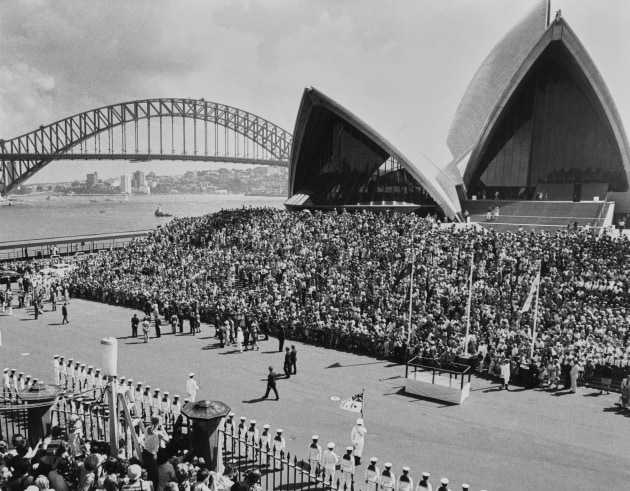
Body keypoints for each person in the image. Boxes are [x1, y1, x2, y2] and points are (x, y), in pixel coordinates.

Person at [142, 416, 170, 489]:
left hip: (145, 453)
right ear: (158, 423)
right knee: (154, 477)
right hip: (152, 456)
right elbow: (168, 441)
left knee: (147, 473)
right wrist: (163, 430)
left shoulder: (147, 428)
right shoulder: (158, 434)